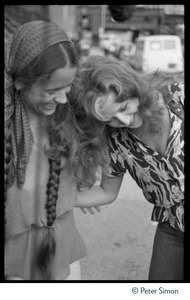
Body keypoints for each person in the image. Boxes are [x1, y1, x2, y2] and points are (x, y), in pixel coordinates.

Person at [68, 55, 184, 280]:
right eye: (109, 118)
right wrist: (60, 198)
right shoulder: (115, 142)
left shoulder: (179, 97)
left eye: (123, 107)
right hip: (172, 230)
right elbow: (106, 192)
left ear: (132, 89)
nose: (123, 120)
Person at [4, 20, 89, 281]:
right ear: (21, 82)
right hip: (14, 264)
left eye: (68, 86)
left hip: (64, 254)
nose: (63, 98)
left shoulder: (72, 117)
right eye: (52, 90)